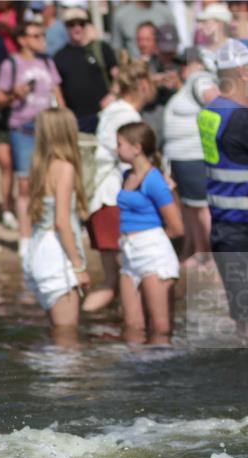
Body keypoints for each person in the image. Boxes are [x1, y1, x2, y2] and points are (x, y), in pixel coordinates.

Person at [84, 59, 156, 312]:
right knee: (120, 280)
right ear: (143, 85)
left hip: (100, 203)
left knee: (113, 280)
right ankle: (79, 324)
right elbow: (133, 167)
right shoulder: (127, 116)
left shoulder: (112, 110)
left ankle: (96, 327)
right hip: (112, 202)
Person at [197, 39, 248, 343]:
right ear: (245, 72)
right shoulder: (244, 120)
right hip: (246, 232)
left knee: (244, 317)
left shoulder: (211, 111)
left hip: (225, 230)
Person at [0, 21, 66, 256]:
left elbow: (57, 93)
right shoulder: (11, 64)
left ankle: (50, 232)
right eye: (35, 35)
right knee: (24, 184)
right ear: (22, 39)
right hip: (22, 129)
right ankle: (25, 238)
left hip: (49, 129)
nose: (41, 40)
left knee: (51, 182)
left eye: (42, 35)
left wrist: (64, 121)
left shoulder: (47, 61)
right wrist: (16, 93)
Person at [23, 108, 90, 346]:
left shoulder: (41, 165)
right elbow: (62, 222)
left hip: (38, 250)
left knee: (55, 333)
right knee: (67, 337)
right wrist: (79, 266)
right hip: (56, 254)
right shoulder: (65, 167)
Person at [114, 121, 183, 344]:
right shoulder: (127, 176)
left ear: (137, 147)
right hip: (129, 254)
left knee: (160, 328)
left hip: (153, 252)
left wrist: (148, 238)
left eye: (120, 144)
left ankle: (162, 374)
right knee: (132, 327)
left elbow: (177, 227)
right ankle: (137, 375)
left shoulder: (153, 180)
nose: (117, 149)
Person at [164, 47, 218, 267]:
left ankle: (214, 258)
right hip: (183, 159)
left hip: (194, 156)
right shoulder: (189, 84)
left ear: (199, 63)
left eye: (186, 63)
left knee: (202, 207)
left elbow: (217, 102)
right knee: (192, 207)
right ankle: (200, 251)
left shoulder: (200, 79)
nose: (182, 68)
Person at [53, 6, 119, 134]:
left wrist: (113, 95)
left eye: (81, 23)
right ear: (66, 27)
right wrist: (64, 115)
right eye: (72, 24)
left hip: (105, 114)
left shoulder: (101, 48)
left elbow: (118, 75)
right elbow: (57, 90)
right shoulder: (59, 56)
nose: (77, 28)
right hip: (77, 120)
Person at [111, 0, 176, 58]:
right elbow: (117, 48)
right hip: (134, 68)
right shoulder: (121, 15)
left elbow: (174, 45)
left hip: (161, 68)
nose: (143, 44)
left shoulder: (165, 13)